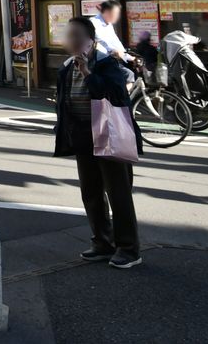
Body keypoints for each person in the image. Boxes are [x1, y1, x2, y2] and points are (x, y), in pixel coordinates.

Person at [53, 15, 143, 269]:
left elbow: (115, 95)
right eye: (69, 36)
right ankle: (102, 242)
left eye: (77, 36)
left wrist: (88, 73)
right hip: (83, 136)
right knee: (91, 192)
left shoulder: (106, 63)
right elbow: (63, 101)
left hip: (108, 134)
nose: (72, 40)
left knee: (118, 193)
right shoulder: (66, 67)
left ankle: (128, 249)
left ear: (91, 41)